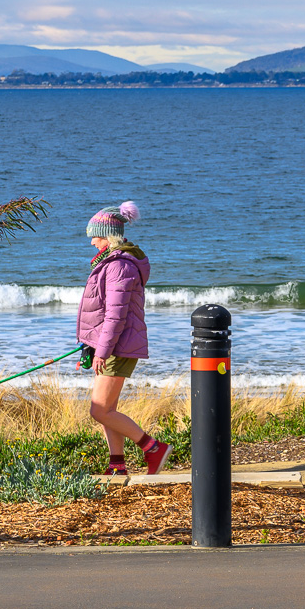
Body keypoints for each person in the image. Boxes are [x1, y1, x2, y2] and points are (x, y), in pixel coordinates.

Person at [78, 201, 171, 476]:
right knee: (108, 409)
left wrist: (103, 351)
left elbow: (116, 316)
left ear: (109, 236)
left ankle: (153, 448)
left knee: (100, 410)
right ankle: (117, 465)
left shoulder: (120, 267)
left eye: (95, 235)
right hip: (110, 344)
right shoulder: (110, 263)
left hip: (117, 346)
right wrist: (91, 345)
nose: (92, 241)